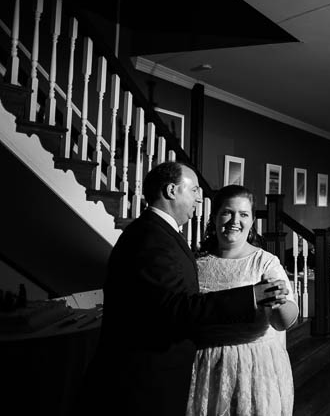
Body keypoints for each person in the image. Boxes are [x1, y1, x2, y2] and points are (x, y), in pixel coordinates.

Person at [84, 162, 286, 416]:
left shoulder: (161, 234)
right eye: (194, 191)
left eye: (244, 215)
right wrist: (251, 296)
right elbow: (175, 308)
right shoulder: (151, 239)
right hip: (143, 378)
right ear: (171, 191)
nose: (199, 199)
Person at [187, 185, 297, 416]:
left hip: (254, 368)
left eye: (244, 214)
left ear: (252, 221)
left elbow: (283, 323)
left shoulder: (265, 262)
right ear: (215, 217)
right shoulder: (196, 264)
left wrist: (278, 304)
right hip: (206, 365)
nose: (235, 220)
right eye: (228, 212)